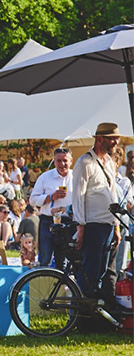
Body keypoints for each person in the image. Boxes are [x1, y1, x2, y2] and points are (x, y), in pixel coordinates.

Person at [72, 122, 122, 304]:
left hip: (108, 223)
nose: (116, 142)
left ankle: (100, 311)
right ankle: (82, 313)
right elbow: (78, 196)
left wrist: (116, 225)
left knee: (104, 270)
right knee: (90, 271)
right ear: (100, 139)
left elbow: (113, 193)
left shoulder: (109, 162)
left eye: (117, 138)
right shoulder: (85, 162)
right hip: (93, 224)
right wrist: (81, 227)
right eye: (112, 139)